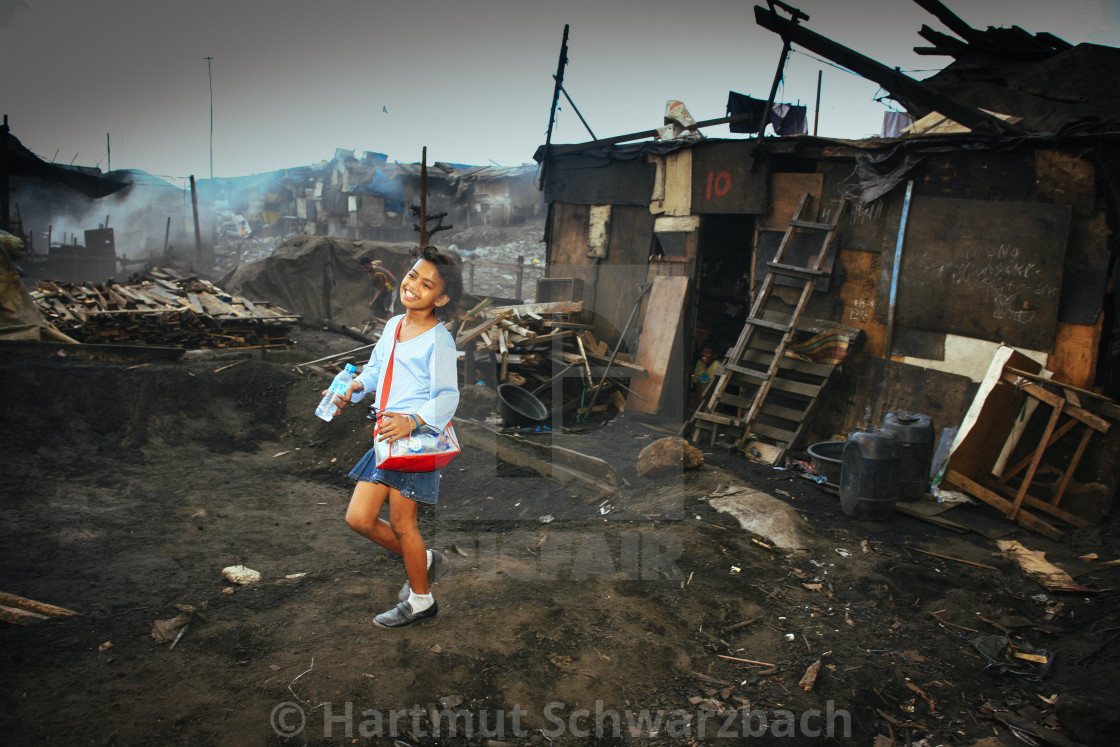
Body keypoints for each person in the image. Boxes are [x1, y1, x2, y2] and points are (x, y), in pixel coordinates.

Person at [331, 245, 463, 628]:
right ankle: (421, 560)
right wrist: (353, 386)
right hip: (385, 439)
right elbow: (375, 370)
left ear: (442, 298)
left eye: (426, 285)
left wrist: (413, 420)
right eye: (411, 276)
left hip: (414, 442)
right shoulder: (393, 326)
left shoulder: (439, 341)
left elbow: (448, 397)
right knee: (359, 518)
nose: (413, 287)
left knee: (405, 526)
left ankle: (421, 599)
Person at [359, 256, 398, 323]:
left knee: (388, 309)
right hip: (385, 288)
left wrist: (372, 302)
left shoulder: (377, 274)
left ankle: (392, 324)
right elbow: (380, 262)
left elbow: (381, 289)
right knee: (384, 305)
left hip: (391, 288)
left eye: (366, 268)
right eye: (363, 268)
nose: (365, 270)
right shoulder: (373, 265)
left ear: (370, 264)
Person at [691, 345, 722, 410]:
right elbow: (699, 382)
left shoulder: (717, 365)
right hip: (702, 395)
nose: (704, 354)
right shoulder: (700, 363)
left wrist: (704, 397)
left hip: (712, 396)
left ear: (714, 355)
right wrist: (697, 399)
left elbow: (715, 386)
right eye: (702, 352)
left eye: (707, 352)